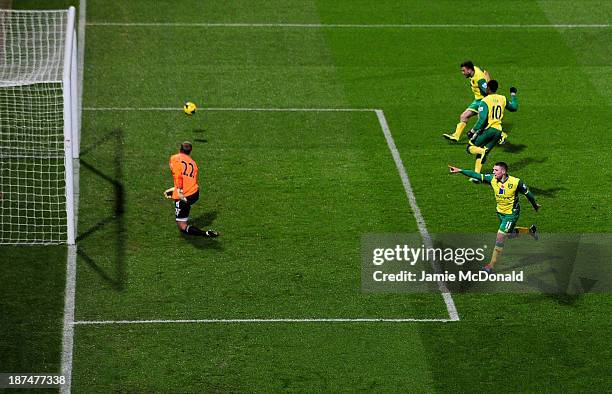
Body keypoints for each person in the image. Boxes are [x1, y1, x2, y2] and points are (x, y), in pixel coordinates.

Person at [448, 162, 540, 272]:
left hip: (511, 214)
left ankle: (491, 266)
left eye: (496, 170)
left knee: (500, 236)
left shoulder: (516, 182)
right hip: (500, 212)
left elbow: (528, 193)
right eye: (493, 170)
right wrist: (460, 170)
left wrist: (535, 205)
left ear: (504, 171)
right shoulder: (492, 179)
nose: (493, 172)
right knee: (509, 235)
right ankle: (530, 231)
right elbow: (476, 175)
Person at [164, 141, 218, 237]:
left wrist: (179, 191)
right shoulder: (193, 163)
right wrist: (174, 189)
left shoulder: (175, 158)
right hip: (194, 193)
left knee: (182, 226)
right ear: (190, 151)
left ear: (180, 148)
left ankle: (206, 234)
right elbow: (189, 180)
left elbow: (178, 175)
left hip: (185, 195)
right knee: (182, 203)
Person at [465, 80, 518, 176]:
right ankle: (477, 176)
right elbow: (514, 107)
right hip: (498, 131)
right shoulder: (502, 98)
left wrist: (472, 131)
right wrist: (513, 94)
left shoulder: (484, 101)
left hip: (488, 130)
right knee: (481, 152)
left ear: (488, 88)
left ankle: (483, 151)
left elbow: (482, 119)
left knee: (470, 148)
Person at [443, 60, 491, 142]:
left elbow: (487, 92)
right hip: (477, 100)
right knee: (463, 116)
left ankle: (501, 137)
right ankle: (456, 136)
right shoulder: (475, 68)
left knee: (483, 122)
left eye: (463, 70)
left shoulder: (479, 80)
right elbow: (486, 72)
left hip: (483, 101)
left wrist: (487, 105)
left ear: (469, 70)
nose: (462, 72)